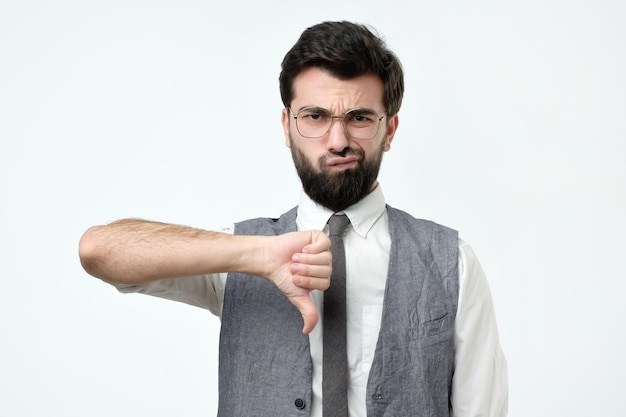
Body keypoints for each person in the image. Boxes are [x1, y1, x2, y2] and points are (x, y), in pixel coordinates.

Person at [79, 21, 508, 417]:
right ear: (287, 126)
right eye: (315, 116)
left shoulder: (453, 262)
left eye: (359, 118)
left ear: (389, 129)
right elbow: (99, 250)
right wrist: (258, 255)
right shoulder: (238, 255)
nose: (337, 140)